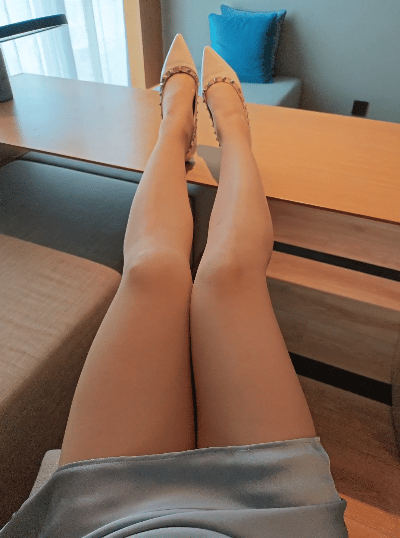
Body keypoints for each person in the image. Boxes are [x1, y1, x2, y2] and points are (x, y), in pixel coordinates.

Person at [0, 34, 349, 537]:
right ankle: (227, 128)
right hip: (275, 521)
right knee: (229, 273)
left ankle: (178, 126)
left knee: (151, 270)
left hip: (106, 520)